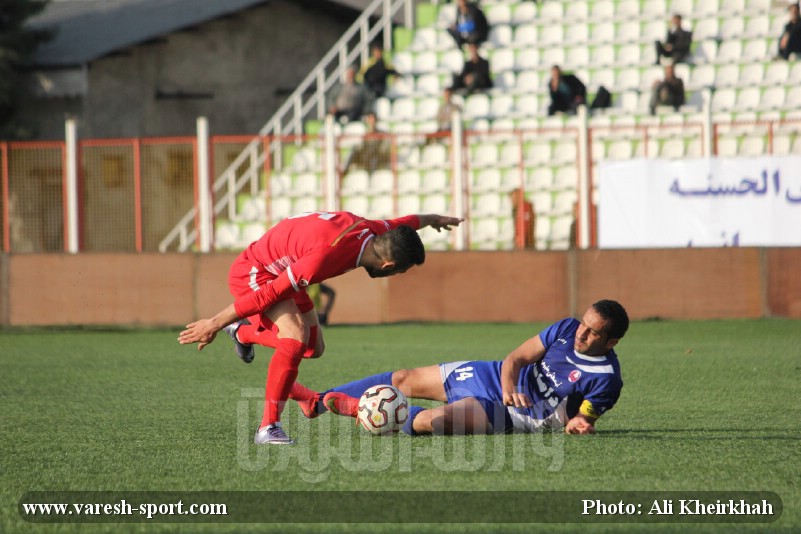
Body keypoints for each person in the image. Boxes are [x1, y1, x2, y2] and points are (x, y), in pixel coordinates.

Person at [178, 211, 464, 445]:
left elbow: (405, 222)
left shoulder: (374, 231)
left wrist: (432, 219)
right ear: (388, 264)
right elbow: (269, 294)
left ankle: (242, 333)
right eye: (401, 270)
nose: (398, 274)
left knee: (313, 348)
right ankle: (268, 427)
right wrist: (214, 322)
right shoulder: (325, 258)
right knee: (294, 339)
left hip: (286, 270)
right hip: (257, 272)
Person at [290, 300, 629, 436]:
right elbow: (516, 359)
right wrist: (510, 386)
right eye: (584, 324)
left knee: (430, 421)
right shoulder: (567, 328)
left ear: (611, 342)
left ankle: (357, 409)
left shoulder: (607, 380)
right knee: (404, 378)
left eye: (592, 332)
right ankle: (316, 402)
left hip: (519, 415)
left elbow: (582, 419)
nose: (581, 333)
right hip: (495, 378)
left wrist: (580, 424)